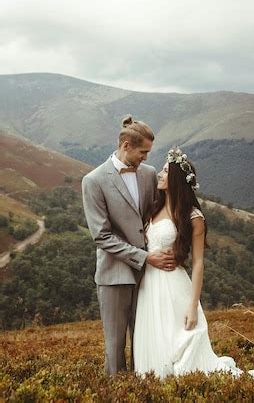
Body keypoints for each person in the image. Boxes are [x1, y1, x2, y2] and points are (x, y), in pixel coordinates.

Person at [133, 146, 254, 378]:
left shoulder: (193, 217)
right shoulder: (153, 207)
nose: (159, 175)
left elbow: (198, 263)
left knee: (181, 339)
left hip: (174, 286)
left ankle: (187, 385)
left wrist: (193, 305)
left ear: (177, 180)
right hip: (149, 286)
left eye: (164, 171)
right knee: (155, 338)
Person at [82, 115, 176, 375]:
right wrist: (145, 257)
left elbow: (157, 214)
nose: (146, 158)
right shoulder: (93, 180)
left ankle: (140, 388)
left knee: (144, 339)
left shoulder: (148, 175)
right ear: (126, 145)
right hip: (113, 274)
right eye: (143, 152)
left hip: (149, 276)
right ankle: (116, 392)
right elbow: (101, 236)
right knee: (115, 344)